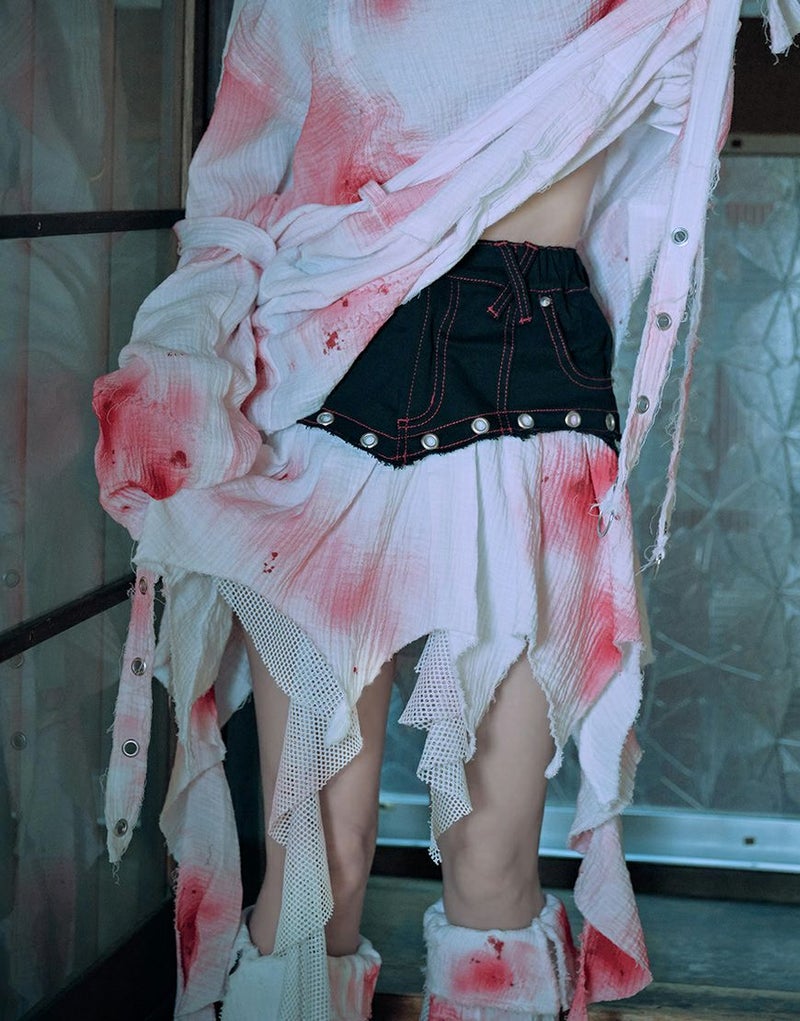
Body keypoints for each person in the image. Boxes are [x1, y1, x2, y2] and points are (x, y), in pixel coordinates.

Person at [92, 2, 800, 1020]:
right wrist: (180, 360)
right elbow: (231, 201)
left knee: (494, 856)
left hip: (534, 366)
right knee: (317, 865)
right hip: (328, 362)